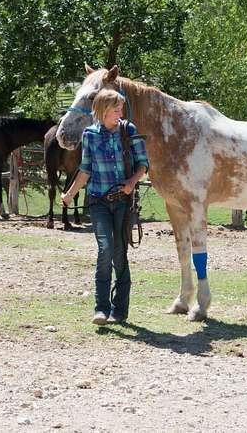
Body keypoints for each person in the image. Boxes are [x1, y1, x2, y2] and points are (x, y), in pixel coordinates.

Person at [61, 89, 149, 326]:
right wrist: (70, 194)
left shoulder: (128, 130)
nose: (120, 113)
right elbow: (86, 169)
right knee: (105, 250)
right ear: (102, 110)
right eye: (116, 109)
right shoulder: (89, 134)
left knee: (120, 254)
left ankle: (119, 310)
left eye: (121, 109)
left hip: (123, 202)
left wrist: (131, 182)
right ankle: (101, 309)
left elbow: (143, 164)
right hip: (98, 201)